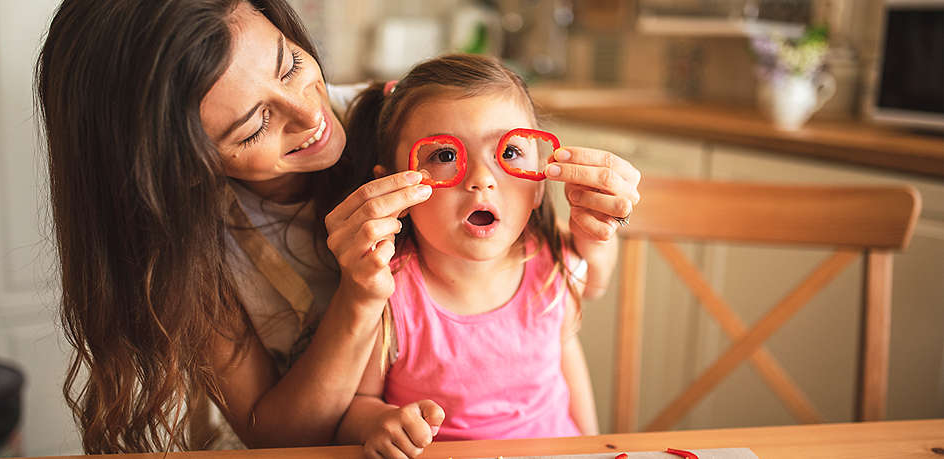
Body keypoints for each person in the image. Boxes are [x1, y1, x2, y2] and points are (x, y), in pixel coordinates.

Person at [36, 0, 639, 453]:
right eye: (253, 127)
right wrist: (359, 299)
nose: (311, 115)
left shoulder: (399, 119)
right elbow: (274, 437)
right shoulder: (190, 256)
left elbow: (570, 298)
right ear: (185, 169)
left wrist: (600, 224)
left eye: (292, 63)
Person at [334, 54, 640, 459]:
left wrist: (598, 231)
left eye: (509, 153)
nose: (481, 179)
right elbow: (355, 405)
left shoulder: (550, 261)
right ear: (393, 190)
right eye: (444, 156)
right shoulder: (388, 290)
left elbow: (597, 280)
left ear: (538, 186)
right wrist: (376, 422)